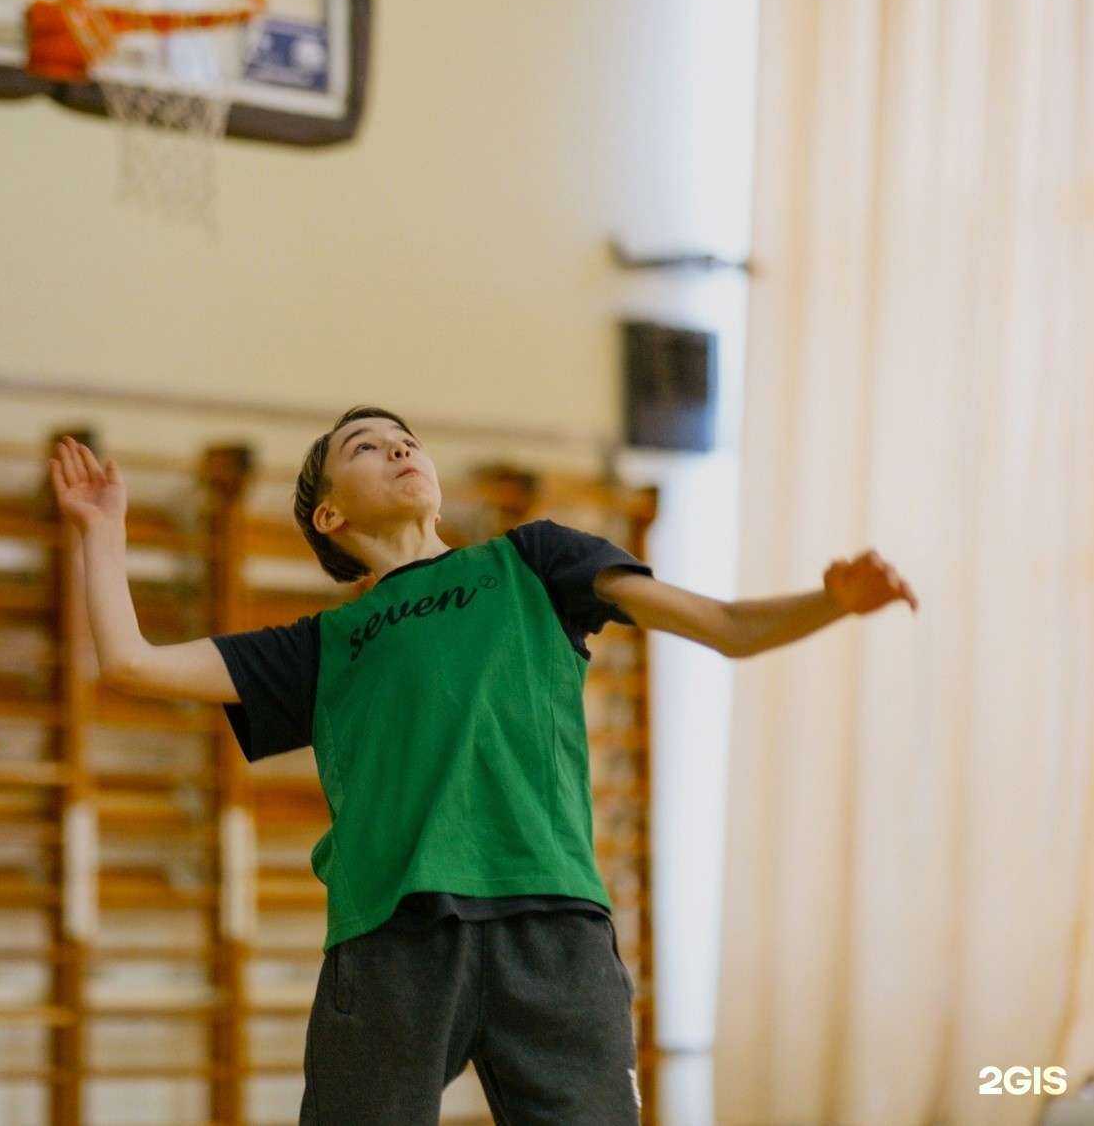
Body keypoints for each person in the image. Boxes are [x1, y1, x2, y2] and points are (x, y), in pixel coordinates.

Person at [49, 404, 917, 1124]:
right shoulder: (325, 643)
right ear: (330, 517)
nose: (397, 447)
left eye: (405, 439)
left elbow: (724, 626)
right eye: (365, 445)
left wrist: (829, 602)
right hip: (391, 941)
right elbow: (130, 661)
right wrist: (103, 530)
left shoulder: (531, 561)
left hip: (552, 930)